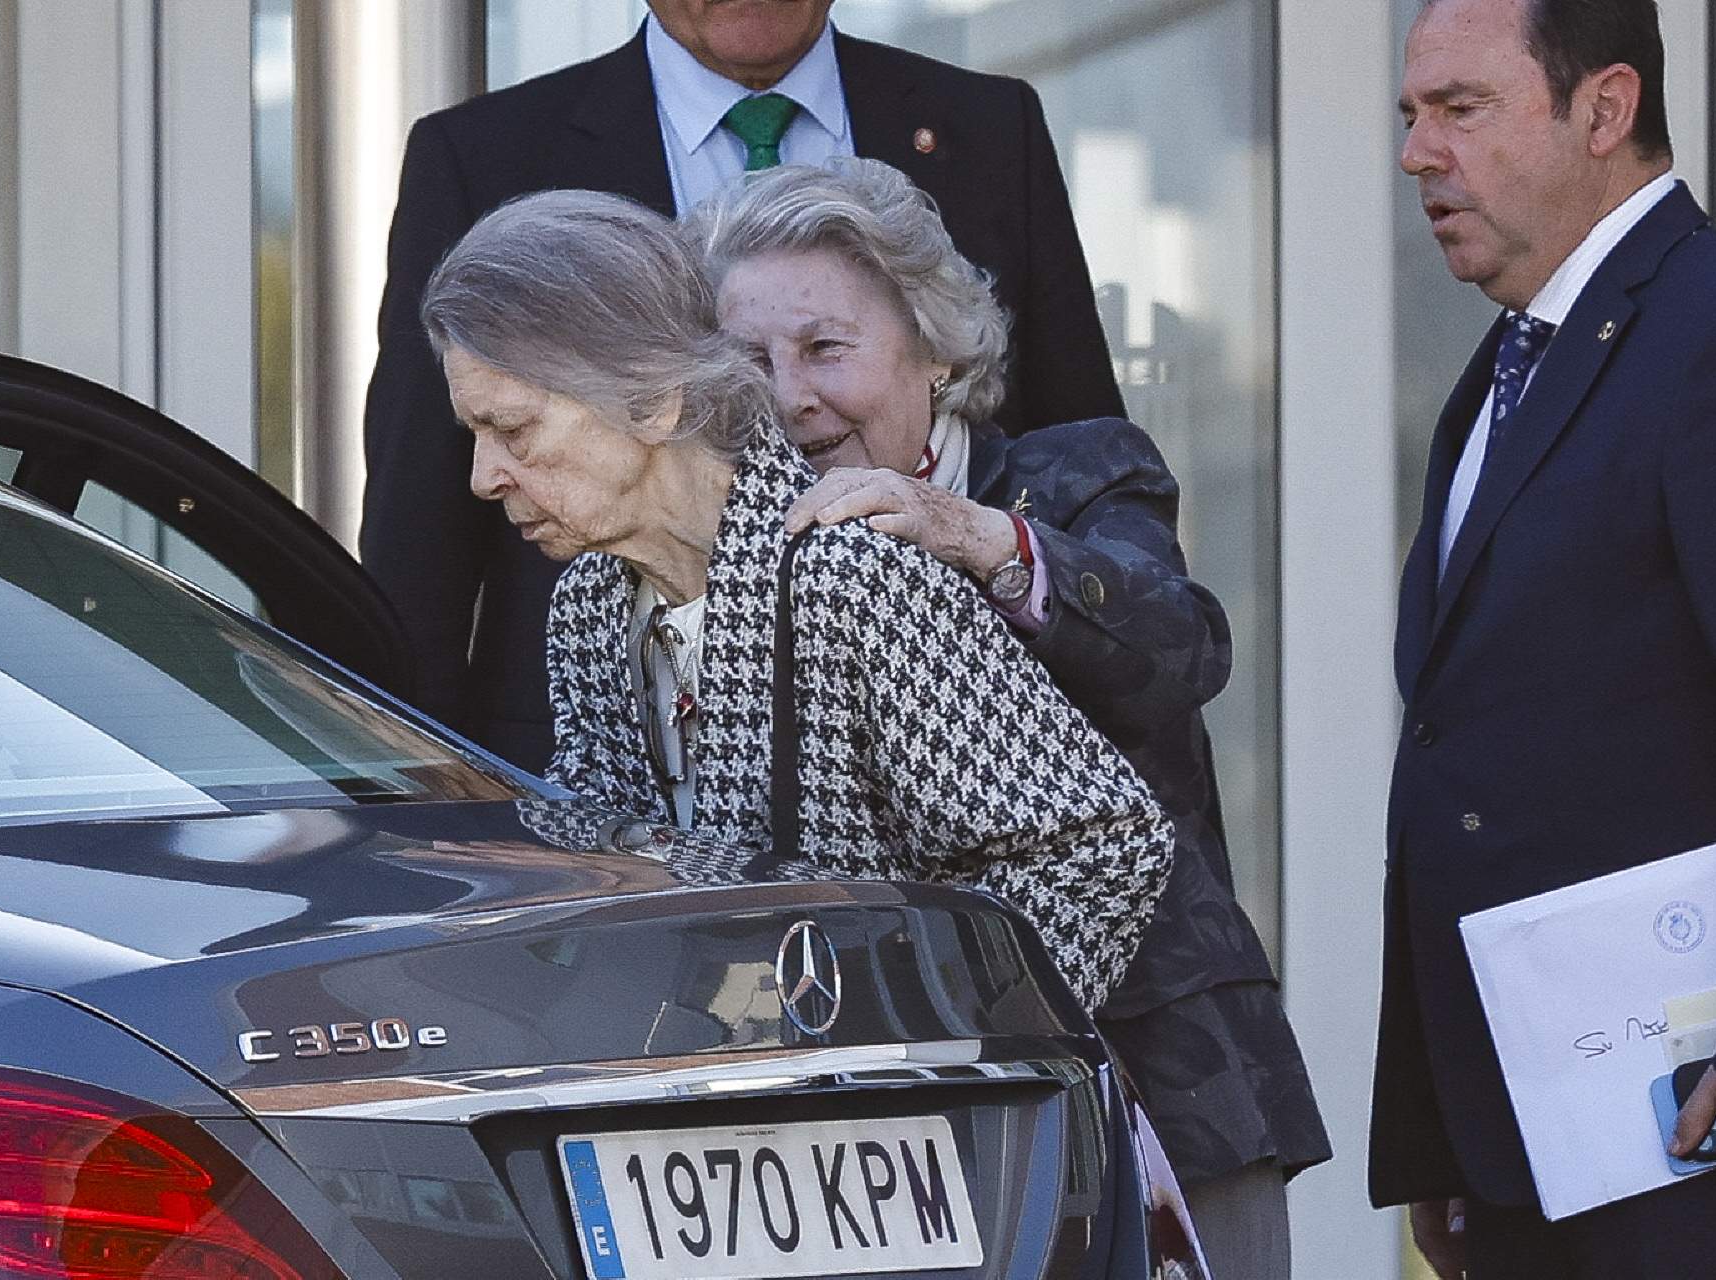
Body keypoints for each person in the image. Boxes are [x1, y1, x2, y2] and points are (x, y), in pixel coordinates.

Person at [684, 158, 1330, 1280]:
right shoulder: (746, 557)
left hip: (1164, 1085)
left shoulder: (1078, 473)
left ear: (936, 349)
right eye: (752, 361)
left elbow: (1182, 646)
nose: (790, 396)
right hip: (904, 1140)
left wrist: (974, 537)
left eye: (827, 348)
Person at [419, 187, 1173, 1018]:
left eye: (515, 430)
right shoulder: (591, 600)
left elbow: (1100, 841)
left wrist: (931, 1034)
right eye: (475, 436)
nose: (483, 478)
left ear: (655, 400)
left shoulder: (852, 578)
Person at [362, 0, 1125, 771]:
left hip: (977, 762)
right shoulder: (484, 154)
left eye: (824, 346)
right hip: (599, 757)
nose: (791, 393)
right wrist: (422, 790)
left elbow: (1076, 446)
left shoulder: (987, 125)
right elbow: (418, 525)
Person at [1382, 1, 1716, 1274]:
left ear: (1606, 107)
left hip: (1684, 1152)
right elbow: (1461, 761)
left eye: (1459, 110)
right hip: (1527, 1149)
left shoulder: (1705, 329)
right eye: (1411, 117)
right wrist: (1437, 1130)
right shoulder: (1500, 373)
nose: (1417, 154)